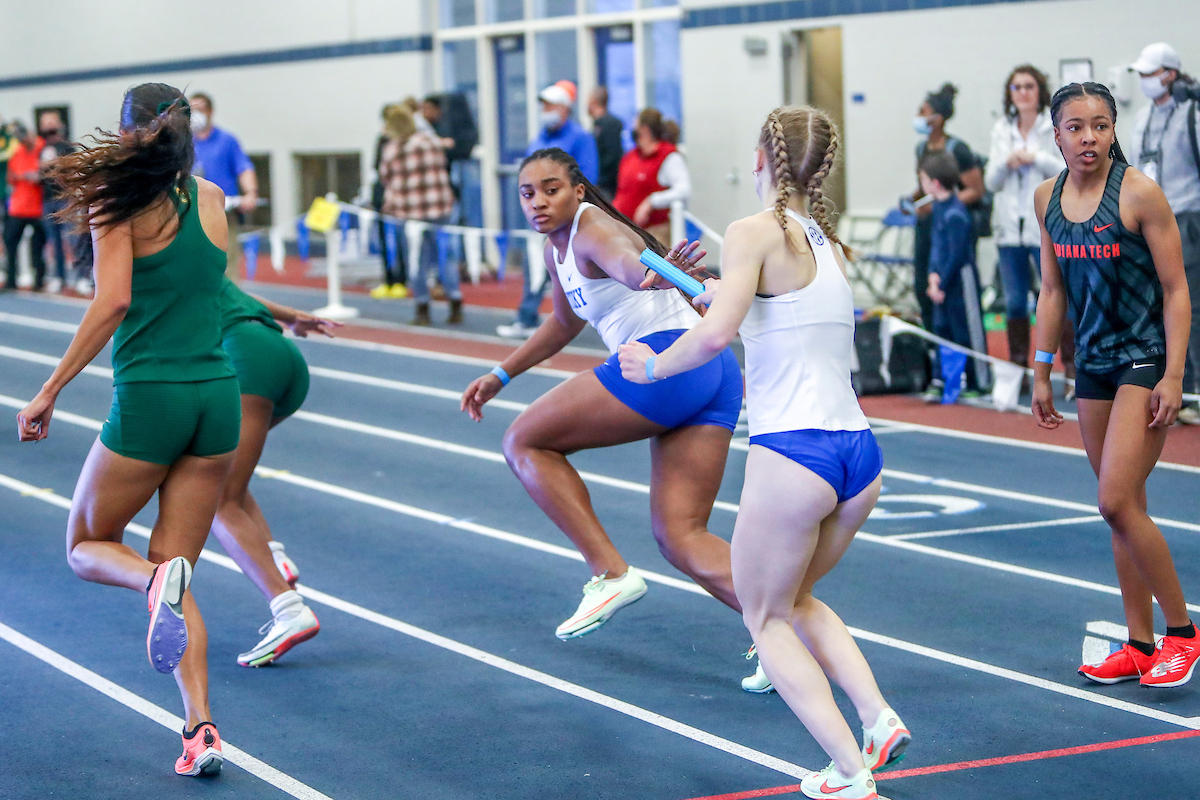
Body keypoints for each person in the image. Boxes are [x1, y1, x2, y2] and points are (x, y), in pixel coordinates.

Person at [618, 106, 909, 800]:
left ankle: (847, 770)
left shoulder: (750, 232)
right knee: (795, 598)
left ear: (761, 158)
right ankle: (877, 717)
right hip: (857, 456)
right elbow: (773, 317)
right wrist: (725, 297)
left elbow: (717, 339)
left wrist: (650, 369)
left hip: (796, 455)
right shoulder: (827, 242)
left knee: (765, 615)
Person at [17, 84, 239, 776]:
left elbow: (113, 299)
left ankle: (150, 584)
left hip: (153, 398)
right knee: (177, 574)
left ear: (126, 132)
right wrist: (283, 318)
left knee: (87, 545)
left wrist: (49, 389)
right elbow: (220, 290)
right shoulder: (210, 197)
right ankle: (199, 729)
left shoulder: (117, 200)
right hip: (217, 399)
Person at [461, 146, 744, 644]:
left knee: (524, 441)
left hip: (665, 363)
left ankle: (611, 573)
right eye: (528, 194)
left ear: (578, 191)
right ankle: (788, 636)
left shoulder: (593, 229)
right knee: (682, 537)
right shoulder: (557, 247)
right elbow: (566, 320)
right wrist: (502, 375)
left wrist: (654, 273)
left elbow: (632, 266)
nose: (538, 203)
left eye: (551, 190)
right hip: (712, 371)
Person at [1033, 82, 1198, 689]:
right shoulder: (1045, 197)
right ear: (1055, 134)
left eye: (1100, 126)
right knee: (1124, 512)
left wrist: (1176, 375)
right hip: (1093, 367)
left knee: (1115, 500)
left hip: (1143, 359)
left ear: (1113, 130)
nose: (1089, 138)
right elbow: (1051, 291)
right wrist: (1042, 368)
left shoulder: (1138, 193)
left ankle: (1182, 634)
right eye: (1075, 127)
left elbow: (1178, 289)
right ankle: (1137, 643)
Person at [209, 277, 338, 666]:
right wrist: (293, 315)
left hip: (244, 357)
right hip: (280, 352)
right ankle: (274, 556)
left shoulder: (129, 258)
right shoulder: (174, 233)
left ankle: (288, 610)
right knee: (214, 467)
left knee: (214, 497)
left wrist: (52, 387)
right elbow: (230, 291)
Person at [985, 65, 1072, 389]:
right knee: (1015, 301)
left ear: (1039, 91)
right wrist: (1007, 161)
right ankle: (1020, 370)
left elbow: (1065, 168)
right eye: (1016, 87)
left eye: (1028, 86)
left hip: (1044, 228)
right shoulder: (1001, 129)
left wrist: (1034, 157)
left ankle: (1070, 370)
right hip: (1009, 231)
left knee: (1056, 295)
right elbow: (991, 181)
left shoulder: (1051, 127)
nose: (1022, 92)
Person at [1130, 43, 1200, 425]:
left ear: (1170, 74)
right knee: (1158, 305)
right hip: (1153, 218)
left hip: (1189, 214)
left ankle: (1194, 389)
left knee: (1191, 304)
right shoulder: (1141, 119)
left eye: (1150, 73)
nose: (1144, 81)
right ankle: (1173, 382)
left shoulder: (1193, 114)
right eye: (1140, 74)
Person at [496, 81, 599, 339]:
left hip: (570, 220)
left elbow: (588, 178)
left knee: (577, 269)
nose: (546, 110)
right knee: (536, 265)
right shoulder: (539, 138)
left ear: (565, 108)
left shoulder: (580, 138)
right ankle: (529, 316)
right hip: (540, 217)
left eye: (550, 105)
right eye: (543, 106)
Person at [909, 83, 986, 400]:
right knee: (927, 296)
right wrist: (914, 201)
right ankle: (937, 373)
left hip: (951, 226)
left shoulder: (958, 149)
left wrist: (942, 201)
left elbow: (975, 190)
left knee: (958, 307)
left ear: (938, 117)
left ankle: (977, 376)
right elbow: (922, 188)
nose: (918, 116)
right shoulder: (920, 149)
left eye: (924, 112)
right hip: (927, 228)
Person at [378, 103, 460, 326]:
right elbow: (445, 162)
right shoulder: (430, 141)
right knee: (445, 257)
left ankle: (422, 308)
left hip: (410, 214)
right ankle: (455, 302)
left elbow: (385, 178)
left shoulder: (392, 149)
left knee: (417, 262)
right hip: (441, 208)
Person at [921, 150, 987, 401]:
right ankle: (940, 378)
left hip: (960, 280)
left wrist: (943, 282)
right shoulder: (937, 209)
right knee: (941, 328)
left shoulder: (956, 214)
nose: (922, 184)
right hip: (941, 280)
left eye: (924, 179)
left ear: (935, 183)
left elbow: (957, 254)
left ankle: (977, 379)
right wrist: (932, 277)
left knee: (966, 330)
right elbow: (935, 248)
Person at [188, 92, 258, 283]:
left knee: (226, 262)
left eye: (200, 110)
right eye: (191, 111)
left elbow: (244, 168)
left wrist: (250, 193)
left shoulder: (226, 141)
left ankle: (231, 309)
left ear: (210, 112)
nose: (195, 116)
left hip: (223, 213)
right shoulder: (184, 144)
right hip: (191, 214)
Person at [613, 108, 691, 248]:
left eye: (635, 126)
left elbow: (684, 190)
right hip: (626, 230)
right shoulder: (630, 157)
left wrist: (652, 201)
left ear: (645, 130)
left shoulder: (669, 157)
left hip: (653, 233)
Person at [369, 104, 410, 300]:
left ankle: (402, 279)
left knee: (403, 239)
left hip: (403, 197)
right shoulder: (383, 140)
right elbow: (377, 166)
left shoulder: (409, 143)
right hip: (382, 194)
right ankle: (388, 280)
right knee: (384, 240)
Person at [3, 121, 46, 292]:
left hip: (37, 207)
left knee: (37, 246)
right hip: (19, 207)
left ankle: (38, 280)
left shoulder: (41, 148)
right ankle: (11, 279)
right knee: (10, 242)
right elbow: (11, 176)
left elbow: (46, 172)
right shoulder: (17, 151)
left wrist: (37, 176)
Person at [39, 111, 78, 293]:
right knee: (54, 241)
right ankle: (60, 277)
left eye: (51, 124)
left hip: (65, 198)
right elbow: (40, 175)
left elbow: (74, 170)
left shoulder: (67, 147)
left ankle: (80, 277)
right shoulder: (43, 149)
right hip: (48, 199)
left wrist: (56, 164)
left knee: (73, 238)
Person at [587, 86, 624, 200]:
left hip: (607, 187)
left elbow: (612, 156)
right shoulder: (596, 125)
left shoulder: (610, 125)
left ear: (594, 101)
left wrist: (600, 180)